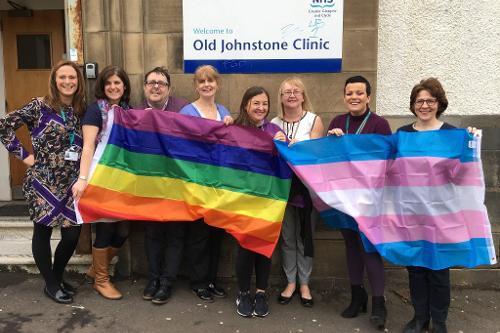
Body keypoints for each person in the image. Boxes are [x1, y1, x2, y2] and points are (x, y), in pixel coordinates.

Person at [0, 60, 86, 304]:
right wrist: (25, 157)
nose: (68, 82)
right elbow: (4, 127)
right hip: (43, 181)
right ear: (54, 80)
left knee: (72, 235)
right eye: (63, 77)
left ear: (78, 82)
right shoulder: (40, 106)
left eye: (72, 77)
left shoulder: (81, 109)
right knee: (43, 231)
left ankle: (56, 276)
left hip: (72, 183)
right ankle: (50, 284)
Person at [398, 78, 473, 333]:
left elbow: (464, 175)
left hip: (442, 213)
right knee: (416, 268)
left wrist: (472, 143)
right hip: (412, 212)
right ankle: (420, 318)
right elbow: (387, 168)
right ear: (413, 105)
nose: (425, 105)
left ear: (439, 103)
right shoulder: (403, 135)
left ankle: (439, 321)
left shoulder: (453, 135)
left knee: (439, 269)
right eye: (420, 101)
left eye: (430, 100)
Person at [327, 75, 392, 330]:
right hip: (343, 198)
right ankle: (357, 296)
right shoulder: (336, 122)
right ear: (344, 96)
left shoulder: (379, 124)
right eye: (349, 93)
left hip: (370, 199)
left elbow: (386, 158)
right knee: (351, 245)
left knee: (370, 248)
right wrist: (333, 142)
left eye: (359, 93)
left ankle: (379, 302)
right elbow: (327, 161)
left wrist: (353, 145)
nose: (354, 97)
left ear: (368, 96)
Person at [72, 65, 131, 300]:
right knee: (106, 227)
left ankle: (96, 269)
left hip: (123, 180)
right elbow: (87, 147)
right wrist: (82, 179)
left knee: (124, 229)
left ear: (124, 86)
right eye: (109, 83)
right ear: (102, 87)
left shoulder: (128, 110)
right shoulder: (95, 110)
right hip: (101, 176)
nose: (113, 87)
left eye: (117, 83)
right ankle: (101, 280)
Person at [179, 65, 233, 301]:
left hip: (219, 183)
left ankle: (211, 279)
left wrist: (231, 125)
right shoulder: (187, 111)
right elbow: (180, 145)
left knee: (216, 234)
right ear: (196, 85)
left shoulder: (223, 110)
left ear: (217, 84)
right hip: (197, 183)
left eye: (210, 81)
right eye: (202, 81)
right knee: (199, 235)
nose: (206, 85)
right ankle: (198, 281)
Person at [136, 67, 189, 305]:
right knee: (153, 234)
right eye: (151, 82)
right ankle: (153, 278)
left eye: (161, 83)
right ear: (144, 86)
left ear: (169, 88)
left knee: (176, 236)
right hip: (149, 185)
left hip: (177, 185)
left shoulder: (183, 109)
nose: (156, 86)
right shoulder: (134, 112)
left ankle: (167, 282)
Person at [233, 86, 286, 317]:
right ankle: (244, 293)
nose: (261, 108)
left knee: (264, 248)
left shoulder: (274, 130)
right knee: (245, 247)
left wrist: (285, 143)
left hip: (268, 198)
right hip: (242, 199)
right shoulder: (234, 128)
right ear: (246, 105)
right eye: (256, 103)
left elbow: (287, 161)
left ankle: (261, 293)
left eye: (265, 103)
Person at [271, 77, 324, 307]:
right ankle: (290, 282)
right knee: (287, 237)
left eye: (296, 91)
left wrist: (299, 147)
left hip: (307, 190)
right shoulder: (273, 123)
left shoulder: (314, 121)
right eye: (286, 92)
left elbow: (316, 155)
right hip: (283, 190)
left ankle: (304, 283)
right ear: (281, 98)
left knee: (305, 237)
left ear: (303, 96)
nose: (291, 95)